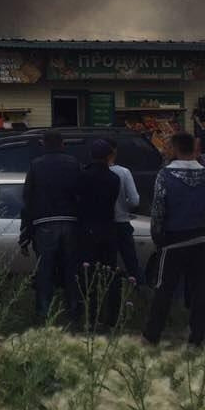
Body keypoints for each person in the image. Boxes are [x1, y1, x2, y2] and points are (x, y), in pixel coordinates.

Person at [143, 132, 205, 348]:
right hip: (199, 238)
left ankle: (152, 336)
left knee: (164, 290)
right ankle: (197, 339)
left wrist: (158, 237)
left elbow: (158, 209)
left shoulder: (165, 175)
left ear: (176, 149)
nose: (166, 150)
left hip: (173, 239)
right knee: (199, 290)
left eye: (168, 147)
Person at [19, 131, 83, 322]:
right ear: (62, 144)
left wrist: (25, 232)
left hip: (44, 222)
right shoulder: (73, 164)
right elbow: (82, 192)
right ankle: (73, 309)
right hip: (71, 221)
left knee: (44, 270)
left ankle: (43, 311)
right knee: (71, 268)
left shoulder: (36, 165)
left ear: (44, 144)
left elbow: (27, 199)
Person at [77, 140, 122, 327]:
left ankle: (90, 316)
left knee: (88, 276)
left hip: (87, 230)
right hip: (108, 229)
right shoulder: (114, 178)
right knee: (110, 275)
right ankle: (112, 317)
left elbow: (77, 200)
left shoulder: (82, 176)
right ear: (108, 157)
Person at [107, 139, 142, 284]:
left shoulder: (88, 172)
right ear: (114, 152)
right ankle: (139, 290)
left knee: (107, 261)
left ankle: (108, 290)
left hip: (103, 224)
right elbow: (134, 201)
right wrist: (123, 205)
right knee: (131, 261)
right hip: (122, 222)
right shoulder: (123, 172)